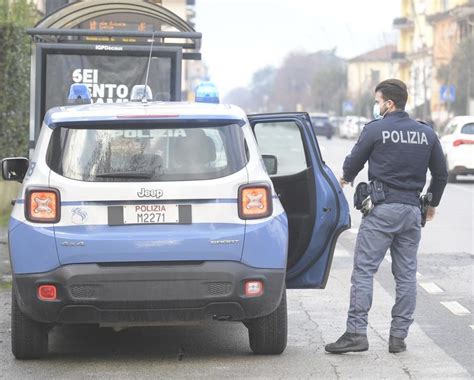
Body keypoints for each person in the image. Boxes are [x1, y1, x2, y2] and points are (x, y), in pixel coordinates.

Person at [325, 79, 448, 354]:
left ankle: (356, 332)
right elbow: (441, 174)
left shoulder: (375, 130)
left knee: (364, 270)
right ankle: (398, 338)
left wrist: (341, 182)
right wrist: (431, 204)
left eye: (378, 101)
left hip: (382, 211)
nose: (376, 105)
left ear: (388, 103)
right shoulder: (426, 133)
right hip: (411, 213)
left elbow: (351, 165)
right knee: (405, 276)